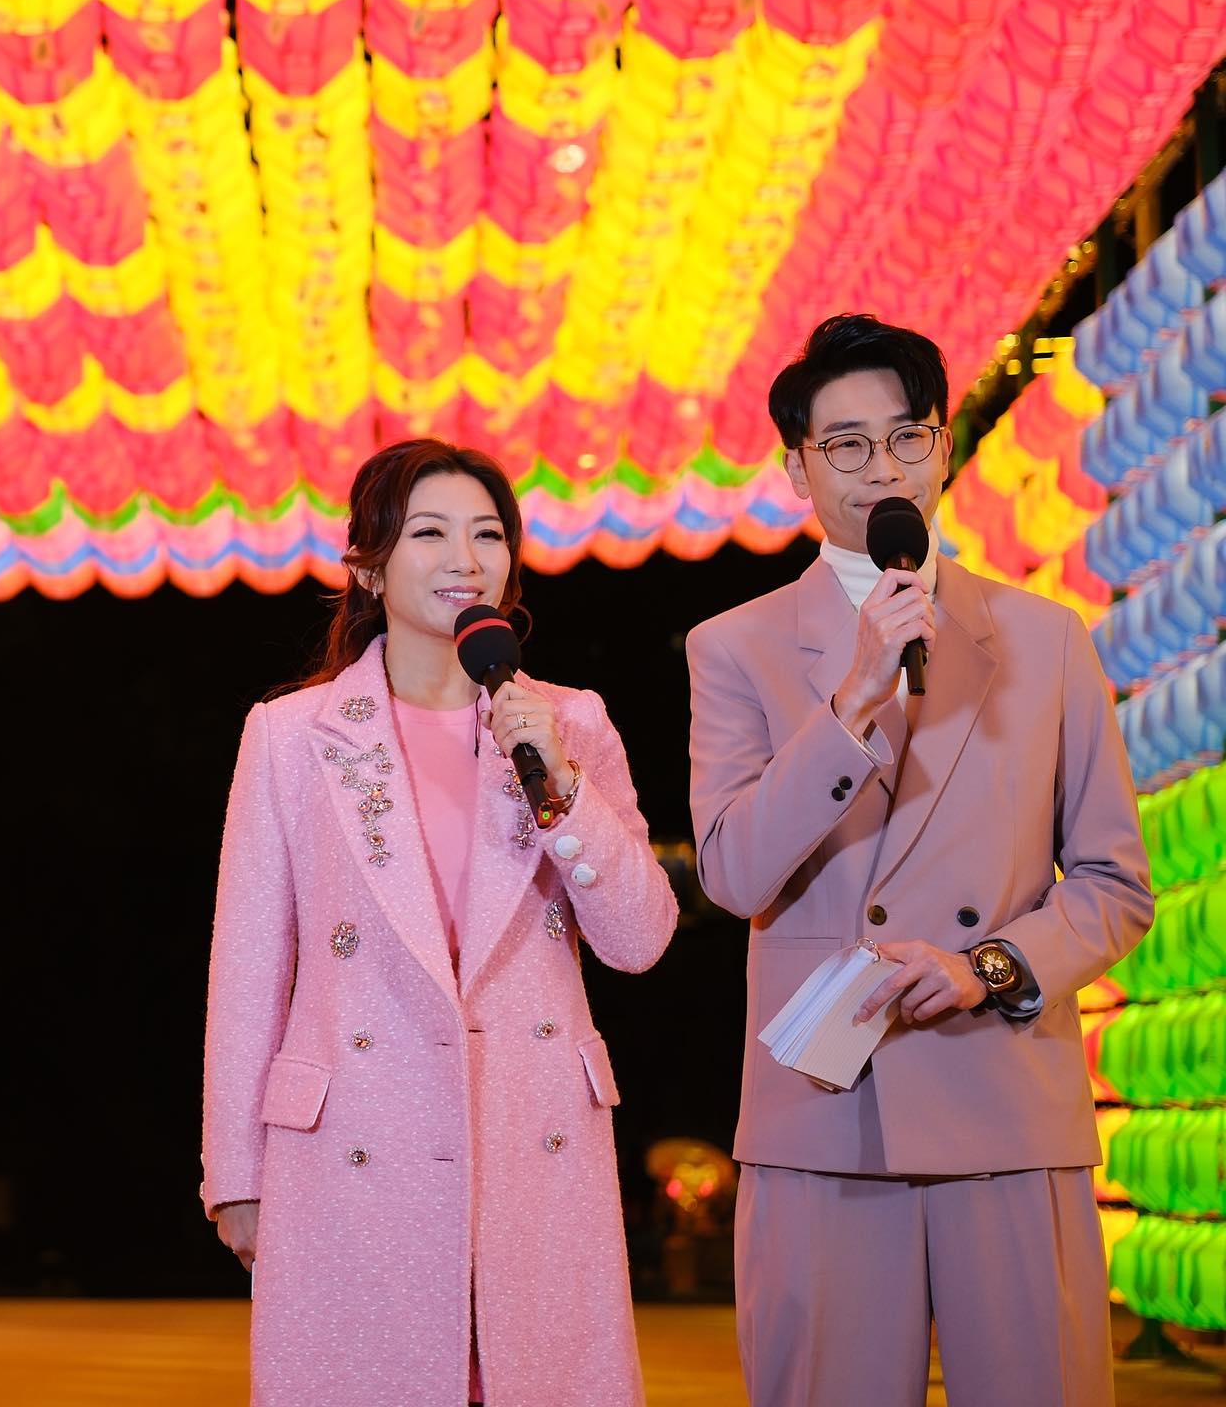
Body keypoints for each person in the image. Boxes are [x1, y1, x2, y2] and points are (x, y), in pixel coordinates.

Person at [686, 314, 1153, 1407]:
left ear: (942, 449)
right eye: (846, 445)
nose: (882, 468)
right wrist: (851, 703)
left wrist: (987, 968)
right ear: (797, 469)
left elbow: (1113, 883)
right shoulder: (736, 647)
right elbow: (734, 875)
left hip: (1005, 1093)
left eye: (906, 437)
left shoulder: (1047, 638)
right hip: (823, 1108)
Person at [202, 437, 678, 1407]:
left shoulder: (569, 723)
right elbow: (248, 967)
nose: (465, 558)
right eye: (429, 533)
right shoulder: (290, 737)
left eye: (487, 535)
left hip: (532, 1142)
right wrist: (235, 1175)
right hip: (349, 1149)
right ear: (370, 567)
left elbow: (639, 939)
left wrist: (562, 787)